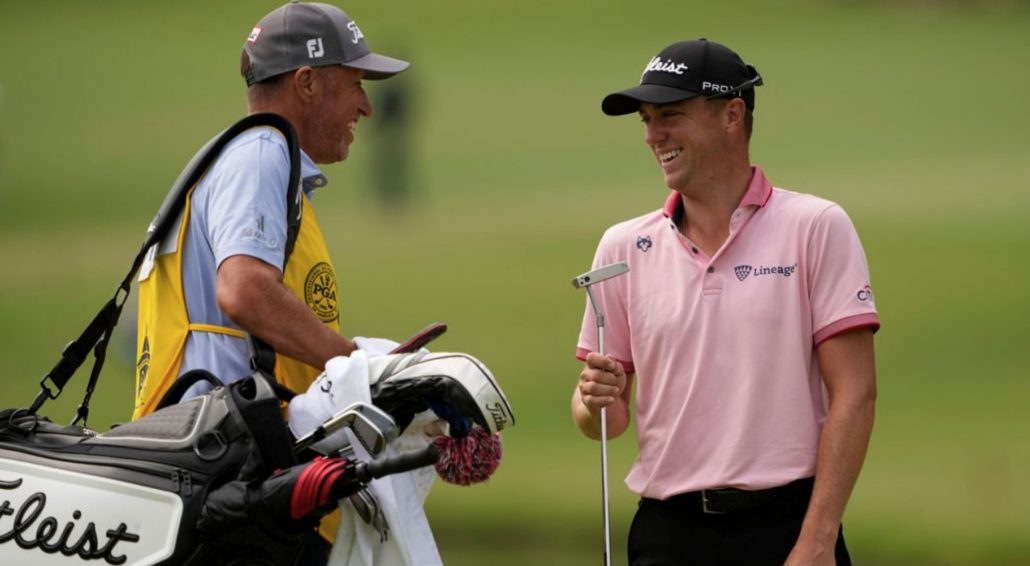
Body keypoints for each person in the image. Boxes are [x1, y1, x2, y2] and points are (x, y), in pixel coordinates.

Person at [572, 38, 879, 565]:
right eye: (646, 120)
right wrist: (593, 399)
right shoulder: (623, 248)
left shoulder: (815, 227)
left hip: (787, 526)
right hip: (667, 534)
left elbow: (855, 393)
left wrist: (818, 539)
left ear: (732, 115)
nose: (653, 136)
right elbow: (606, 419)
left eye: (670, 115)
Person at [132, 1, 409, 562]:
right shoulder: (262, 153)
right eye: (355, 82)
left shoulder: (253, 158)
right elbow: (244, 290)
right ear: (307, 83)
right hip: (228, 476)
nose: (366, 105)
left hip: (215, 468)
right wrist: (353, 367)